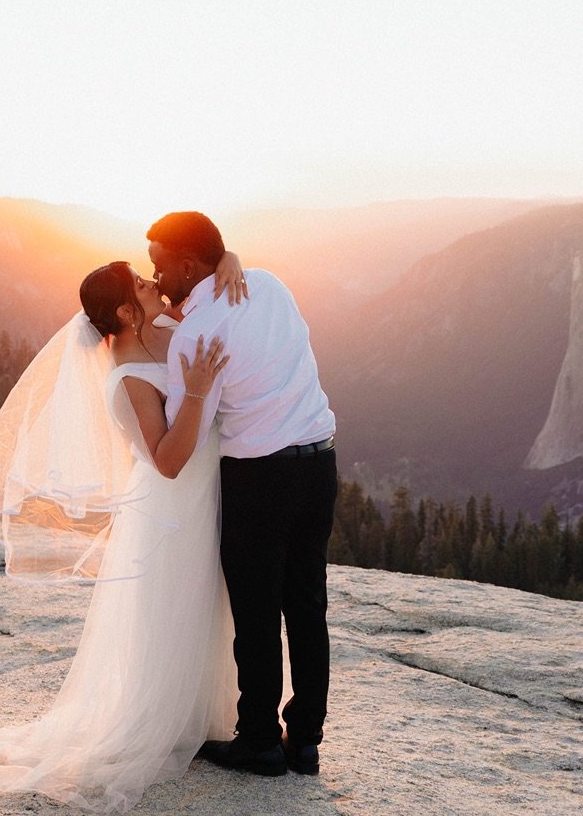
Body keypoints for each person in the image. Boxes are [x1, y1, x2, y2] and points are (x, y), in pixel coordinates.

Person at [0, 256, 245, 812]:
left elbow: (200, 289)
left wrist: (225, 259)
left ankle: (213, 717)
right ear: (125, 312)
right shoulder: (129, 376)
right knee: (181, 610)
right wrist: (197, 392)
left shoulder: (158, 330)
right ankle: (168, 722)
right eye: (140, 283)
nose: (153, 283)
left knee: (215, 605)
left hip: (209, 494)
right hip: (174, 510)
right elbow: (168, 461)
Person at [147, 211, 338, 778]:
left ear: (188, 265)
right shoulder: (270, 285)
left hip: (260, 478)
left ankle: (258, 740)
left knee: (257, 613)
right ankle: (305, 741)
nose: (155, 278)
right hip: (320, 460)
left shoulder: (195, 337)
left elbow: (183, 444)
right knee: (307, 604)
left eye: (160, 266)